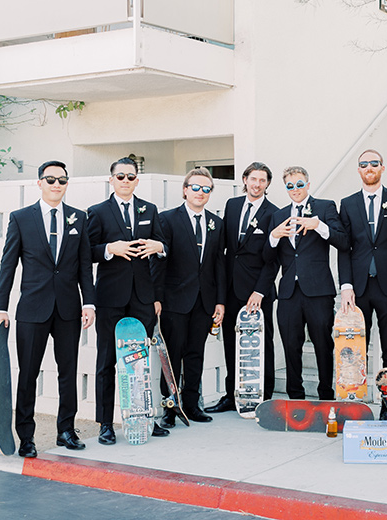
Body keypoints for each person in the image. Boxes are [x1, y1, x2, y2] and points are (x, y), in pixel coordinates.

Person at [0, 161, 96, 458]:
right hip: (32, 309)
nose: (56, 184)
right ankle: (26, 436)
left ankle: (66, 430)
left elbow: (84, 265)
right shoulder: (22, 218)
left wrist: (89, 302)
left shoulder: (79, 217)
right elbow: (8, 265)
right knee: (28, 374)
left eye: (62, 180)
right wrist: (0, 306)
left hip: (68, 309)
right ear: (39, 183)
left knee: (68, 371)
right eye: (50, 179)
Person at [86, 156, 170, 444]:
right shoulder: (97, 212)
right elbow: (88, 251)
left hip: (142, 297)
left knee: (140, 363)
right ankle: (106, 424)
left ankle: (144, 417)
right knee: (107, 361)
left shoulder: (150, 209)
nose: (125, 181)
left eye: (130, 177)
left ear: (137, 179)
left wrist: (159, 246)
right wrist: (111, 248)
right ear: (111, 180)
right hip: (110, 297)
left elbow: (162, 248)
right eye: (120, 176)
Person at [266, 166, 349, 400]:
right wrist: (274, 236)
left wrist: (319, 226)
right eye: (290, 186)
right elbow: (267, 257)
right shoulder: (278, 215)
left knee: (323, 344)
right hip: (289, 293)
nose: (295, 190)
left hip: (318, 290)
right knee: (291, 345)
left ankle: (325, 394)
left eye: (299, 184)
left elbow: (343, 242)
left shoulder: (325, 207)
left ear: (308, 184)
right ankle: (295, 396)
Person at [338, 149, 387, 419]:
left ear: (382, 167)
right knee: (357, 348)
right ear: (358, 170)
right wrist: (346, 285)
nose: (369, 167)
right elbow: (345, 247)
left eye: (374, 163)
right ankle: (357, 403)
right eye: (363, 164)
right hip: (357, 288)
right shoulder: (348, 203)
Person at [206, 162, 279, 413]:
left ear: (268, 184)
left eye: (262, 180)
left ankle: (264, 396)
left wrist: (260, 291)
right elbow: (225, 250)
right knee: (231, 342)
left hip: (258, 292)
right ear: (245, 179)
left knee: (262, 343)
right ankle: (231, 395)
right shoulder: (232, 205)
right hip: (231, 288)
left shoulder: (274, 213)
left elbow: (274, 259)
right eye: (253, 179)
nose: (257, 184)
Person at [156, 168, 226, 426]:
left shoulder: (216, 224)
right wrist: (158, 297)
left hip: (204, 300)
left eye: (206, 189)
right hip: (175, 300)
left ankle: (192, 403)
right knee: (172, 354)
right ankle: (170, 407)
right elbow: (159, 264)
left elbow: (219, 263)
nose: (200, 193)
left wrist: (220, 301)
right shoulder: (167, 219)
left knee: (196, 354)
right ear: (185, 190)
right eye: (195, 187)